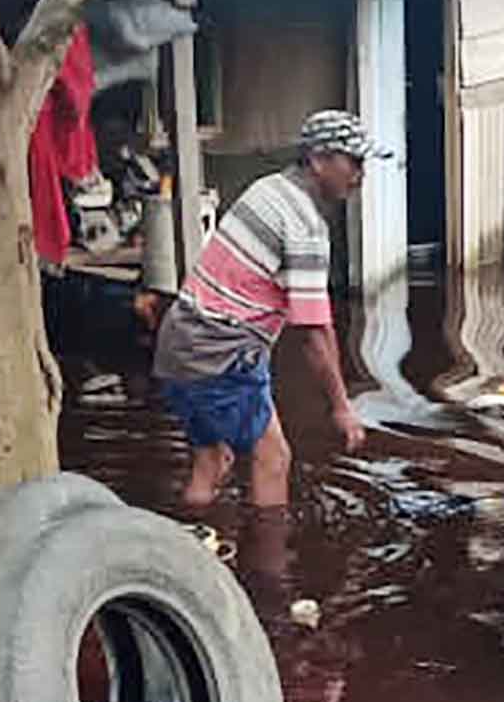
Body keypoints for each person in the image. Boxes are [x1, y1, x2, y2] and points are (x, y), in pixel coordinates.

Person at [154, 110, 379, 508]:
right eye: (354, 161)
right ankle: (269, 569)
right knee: (273, 459)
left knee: (213, 461)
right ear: (317, 160)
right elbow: (313, 332)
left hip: (179, 342)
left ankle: (192, 547)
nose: (361, 173)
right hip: (219, 352)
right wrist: (341, 407)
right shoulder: (305, 226)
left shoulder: (266, 188)